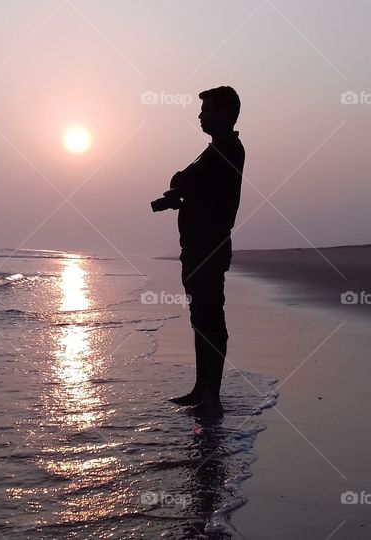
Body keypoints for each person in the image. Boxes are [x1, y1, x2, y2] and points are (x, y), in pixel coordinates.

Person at [151, 86, 244, 417]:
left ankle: (212, 398)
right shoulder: (215, 150)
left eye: (206, 109)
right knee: (200, 317)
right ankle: (201, 389)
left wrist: (180, 186)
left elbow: (187, 180)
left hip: (210, 246)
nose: (200, 115)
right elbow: (195, 186)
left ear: (223, 111)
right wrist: (180, 194)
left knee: (210, 318)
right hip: (196, 245)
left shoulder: (228, 148)